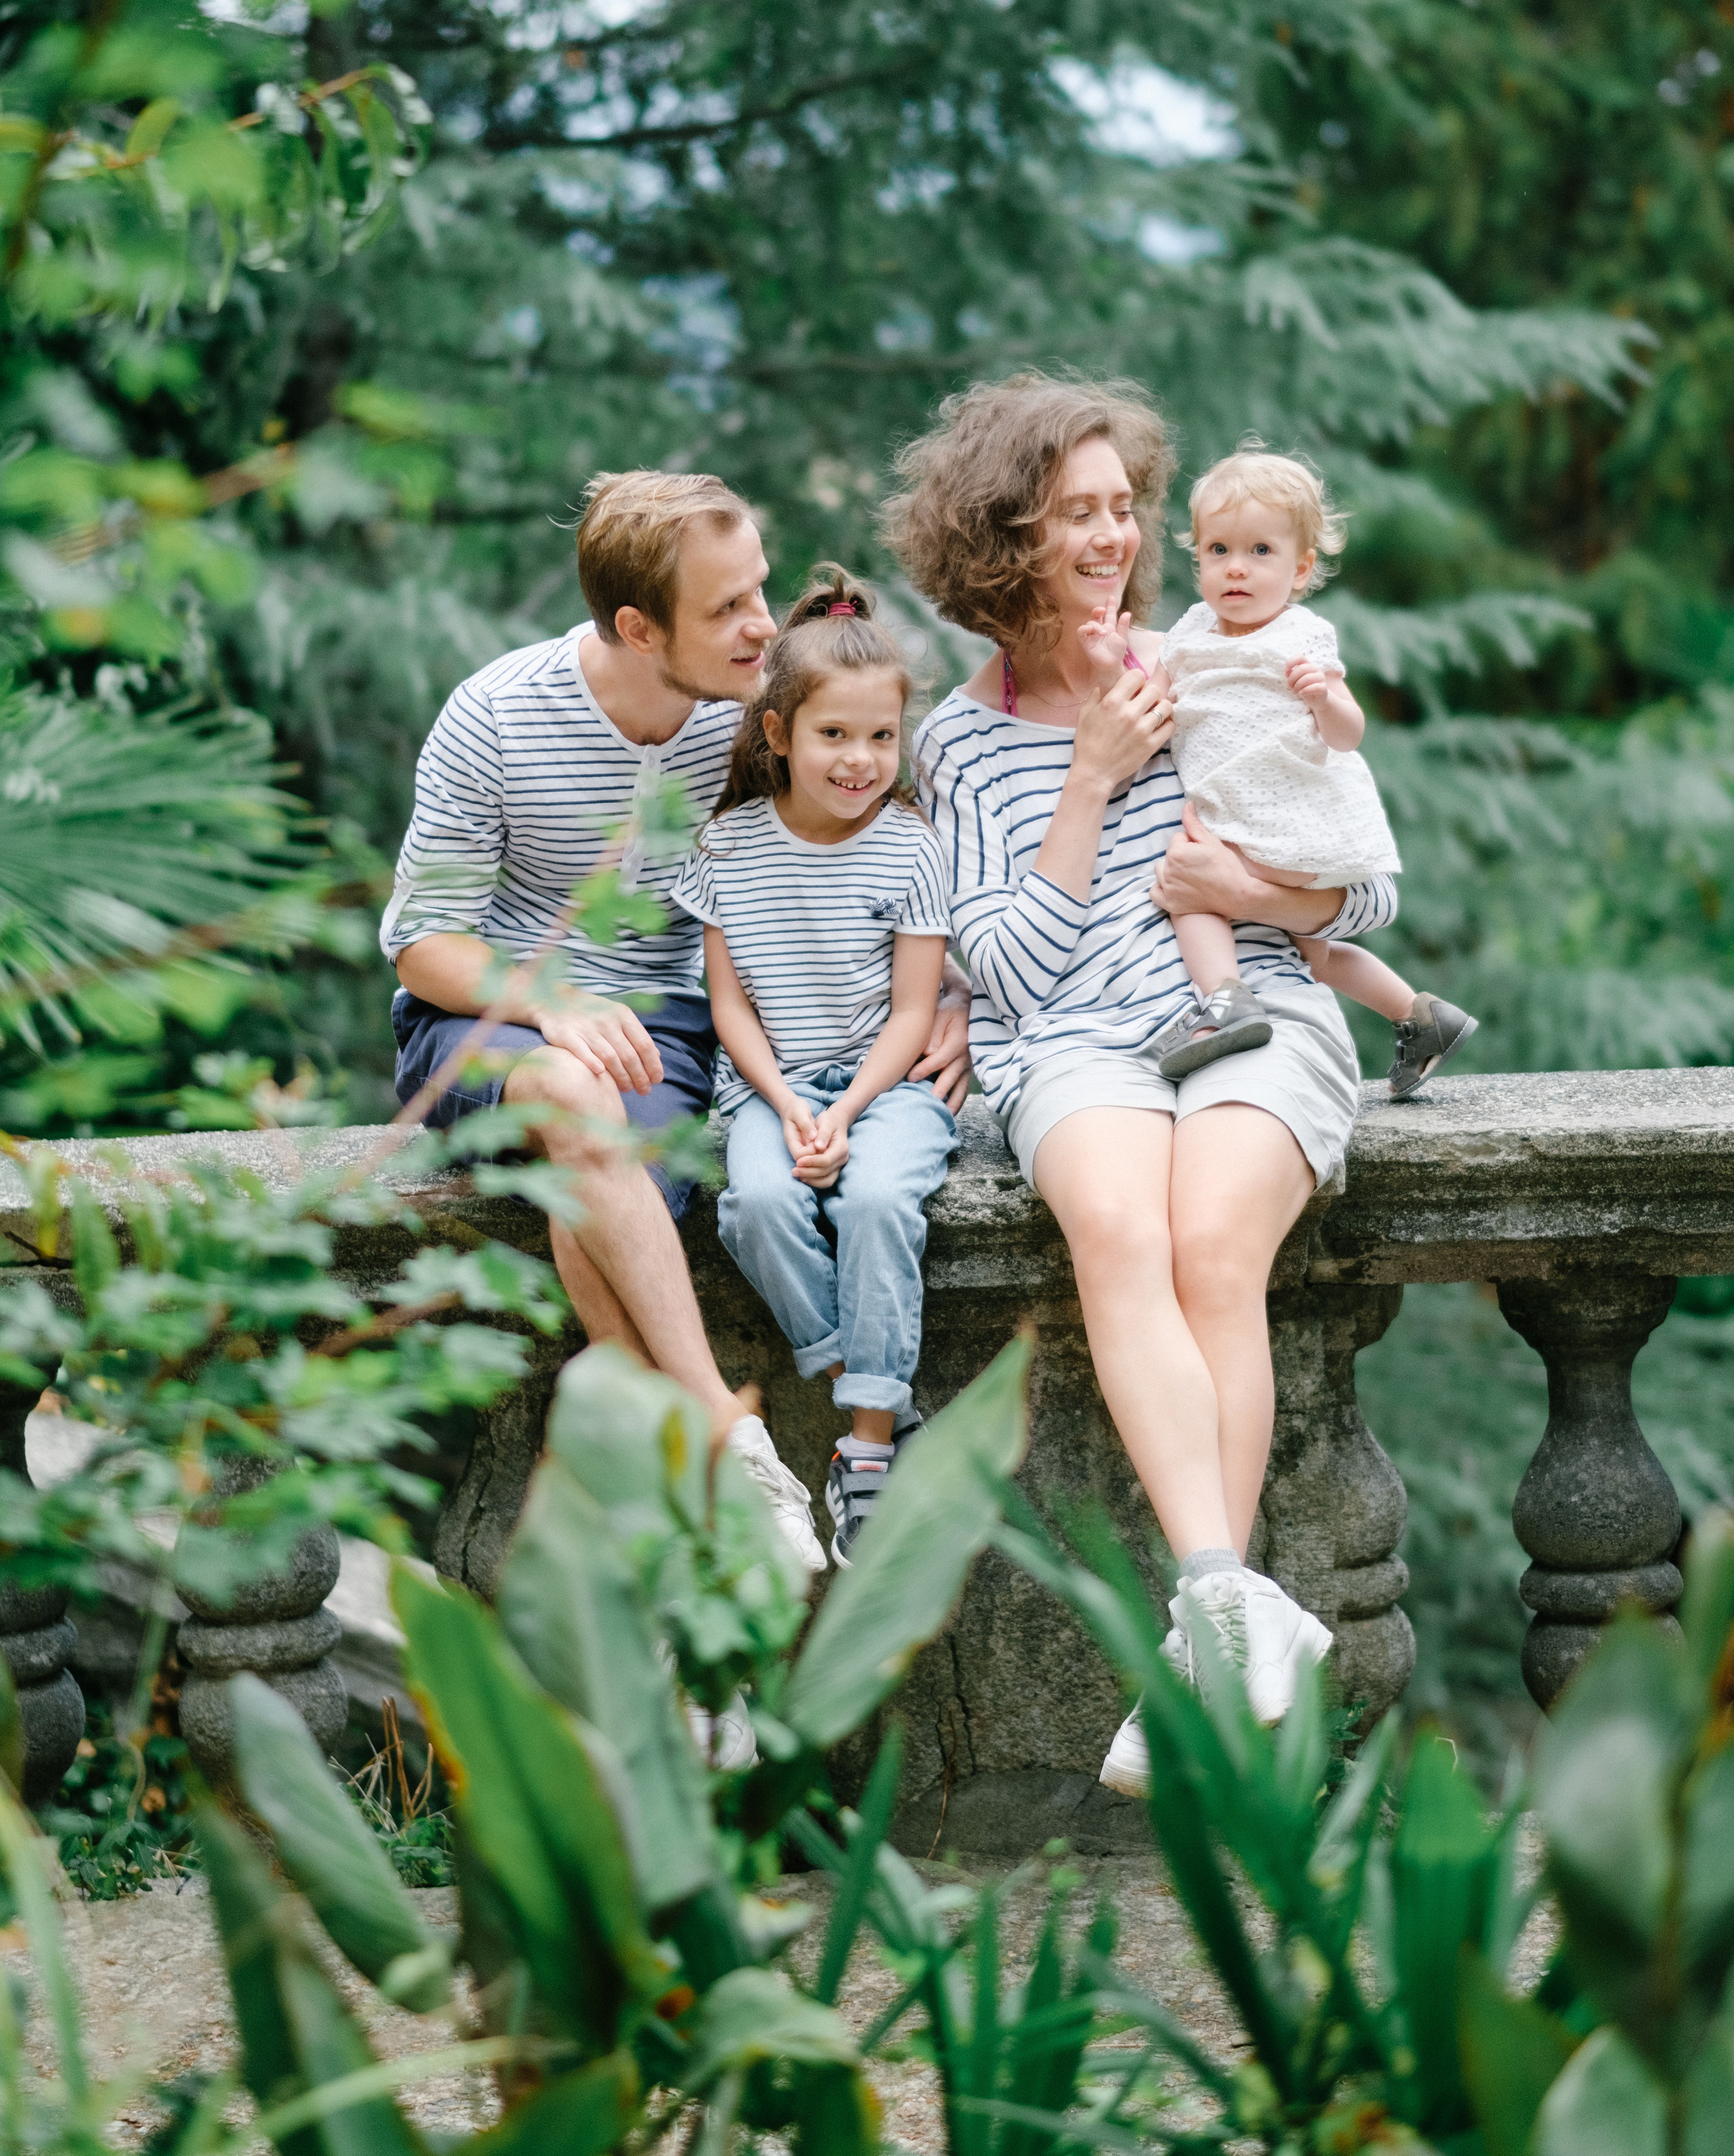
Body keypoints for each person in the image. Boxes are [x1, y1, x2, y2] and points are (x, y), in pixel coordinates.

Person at [887, 373, 1399, 1778]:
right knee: (1117, 1230)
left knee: (1207, 1245)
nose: (1114, 539)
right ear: (1005, 539)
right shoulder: (953, 744)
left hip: (1255, 1010)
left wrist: (1245, 885)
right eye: (1077, 515)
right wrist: (1089, 781)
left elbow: (1358, 898)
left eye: (1124, 509)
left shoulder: (1213, 668)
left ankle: (1210, 1622)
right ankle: (1229, 1614)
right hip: (1070, 1042)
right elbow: (1004, 968)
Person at [383, 469, 972, 1584]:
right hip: (491, 1017)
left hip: (672, 1035)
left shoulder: (761, 715)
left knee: (599, 1192)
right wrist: (555, 1003)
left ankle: (672, 1536)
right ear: (638, 627)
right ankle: (726, 1433)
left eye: (759, 588)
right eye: (729, 609)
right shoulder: (497, 714)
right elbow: (424, 941)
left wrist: (956, 1002)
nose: (765, 625)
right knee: (567, 1089)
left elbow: (881, 848)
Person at [673, 568, 958, 1566]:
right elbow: (727, 1004)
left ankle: (868, 1448)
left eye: (881, 737)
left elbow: (916, 1011)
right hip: (769, 1084)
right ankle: (860, 1369)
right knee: (753, 1204)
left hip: (892, 1088)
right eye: (835, 735)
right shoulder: (725, 847)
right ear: (779, 734)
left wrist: (847, 1113)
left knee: (880, 1202)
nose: (861, 759)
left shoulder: (911, 848)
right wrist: (791, 1105)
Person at [1152, 445, 1476, 1100]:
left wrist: (1324, 699)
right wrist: (1110, 663)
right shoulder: (1189, 631)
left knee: (1193, 891)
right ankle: (1420, 1016)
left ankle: (1226, 1000)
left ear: (1301, 569)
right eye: (1218, 551)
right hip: (1257, 823)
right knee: (1315, 957)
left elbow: (1347, 735)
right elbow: (1153, 700)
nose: (1236, 569)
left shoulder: (1302, 637)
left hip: (1281, 821)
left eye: (1260, 552)